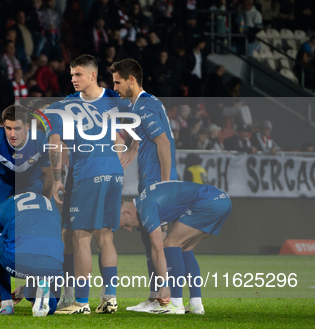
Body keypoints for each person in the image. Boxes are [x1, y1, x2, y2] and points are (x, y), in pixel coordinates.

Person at [46, 54, 128, 315]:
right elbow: (140, 125)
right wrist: (131, 150)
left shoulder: (66, 106)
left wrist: (57, 178)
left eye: (78, 74)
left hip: (87, 174)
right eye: (71, 75)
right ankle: (110, 299)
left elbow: (55, 143)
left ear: (93, 75)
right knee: (105, 236)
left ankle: (79, 302)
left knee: (80, 238)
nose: (73, 79)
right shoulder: (115, 99)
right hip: (114, 174)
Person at [111, 58, 179, 313]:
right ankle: (156, 297)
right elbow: (149, 133)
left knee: (158, 242)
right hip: (150, 180)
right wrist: (133, 149)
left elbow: (162, 141)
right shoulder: (146, 104)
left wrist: (164, 184)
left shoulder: (145, 106)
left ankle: (167, 300)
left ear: (131, 80)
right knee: (150, 241)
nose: (115, 87)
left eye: (118, 82)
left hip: (155, 182)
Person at [0, 105, 52, 307]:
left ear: (28, 127)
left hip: (32, 184)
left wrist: (45, 204)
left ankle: (32, 287)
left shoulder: (40, 140)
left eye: (17, 128)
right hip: (4, 184)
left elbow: (49, 176)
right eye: (8, 128)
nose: (12, 134)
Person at [119, 180, 233, 314]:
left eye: (124, 225)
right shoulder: (145, 198)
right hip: (223, 200)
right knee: (185, 249)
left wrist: (163, 286)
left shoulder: (146, 207)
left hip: (208, 201)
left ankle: (175, 303)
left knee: (170, 244)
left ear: (126, 212)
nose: (129, 229)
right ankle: (196, 304)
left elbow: (157, 250)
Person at [0, 192, 64, 316]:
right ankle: (36, 292)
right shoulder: (50, 205)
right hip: (55, 263)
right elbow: (40, 250)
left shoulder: (2, 207)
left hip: (16, 260)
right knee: (51, 300)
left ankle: (6, 303)